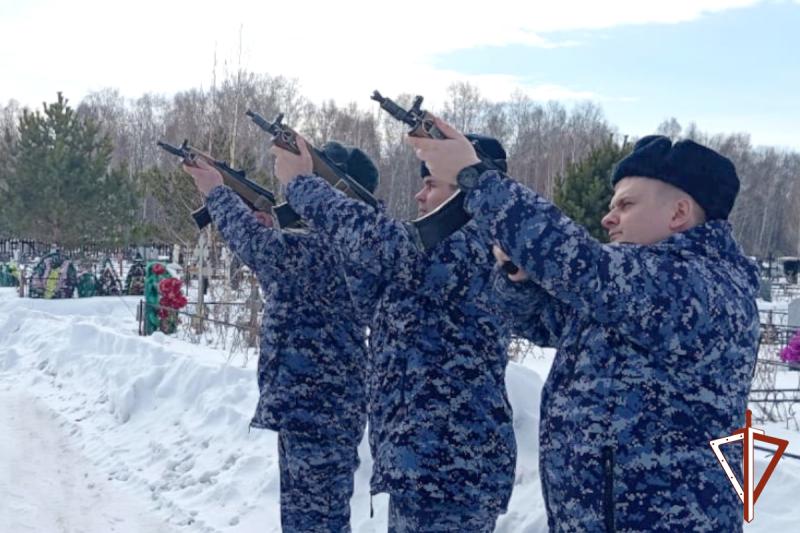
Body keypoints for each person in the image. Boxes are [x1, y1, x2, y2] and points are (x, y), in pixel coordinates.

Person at [410, 124, 759, 532]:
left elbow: (581, 265)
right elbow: (546, 322)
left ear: (678, 213)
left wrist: (476, 179)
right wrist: (517, 277)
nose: (608, 218)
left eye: (626, 205)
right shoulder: (634, 291)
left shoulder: (701, 283)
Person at [271, 134, 516, 532]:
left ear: (467, 189)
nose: (419, 196)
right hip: (421, 470)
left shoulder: (472, 244)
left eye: (431, 183)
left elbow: (386, 244)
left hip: (453, 473)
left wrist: (305, 186)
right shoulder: (435, 257)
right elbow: (374, 294)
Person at [182, 142, 379, 532]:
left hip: (319, 408)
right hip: (313, 407)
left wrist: (217, 191)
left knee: (315, 523)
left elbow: (261, 249)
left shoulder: (328, 246)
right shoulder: (342, 243)